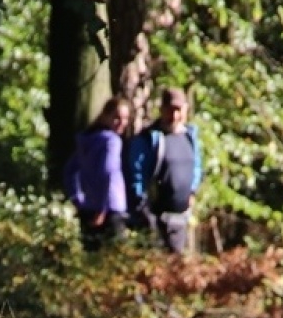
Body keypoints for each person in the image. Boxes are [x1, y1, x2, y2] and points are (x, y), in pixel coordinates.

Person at [126, 87, 203, 255]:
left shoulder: (190, 137)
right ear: (162, 110)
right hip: (155, 219)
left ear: (185, 110)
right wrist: (143, 210)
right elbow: (135, 174)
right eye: (170, 110)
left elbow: (196, 167)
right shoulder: (149, 139)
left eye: (178, 110)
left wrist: (192, 191)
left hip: (181, 218)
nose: (174, 116)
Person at [63, 96, 132, 252]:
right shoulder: (112, 141)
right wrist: (102, 208)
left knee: (92, 261)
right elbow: (107, 171)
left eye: (125, 118)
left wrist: (76, 198)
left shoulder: (86, 140)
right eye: (116, 117)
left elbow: (69, 171)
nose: (122, 123)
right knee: (117, 261)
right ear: (105, 116)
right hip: (110, 209)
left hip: (88, 208)